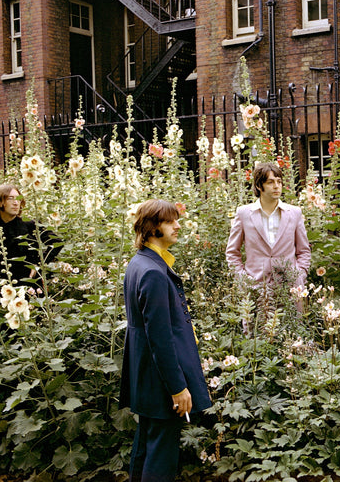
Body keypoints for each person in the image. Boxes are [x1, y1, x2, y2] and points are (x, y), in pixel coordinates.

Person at [120, 199, 212, 482]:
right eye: (170, 221)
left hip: (144, 374)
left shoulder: (140, 263)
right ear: (152, 228)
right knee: (161, 456)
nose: (178, 226)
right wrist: (177, 388)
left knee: (146, 446)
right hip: (160, 380)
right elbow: (160, 338)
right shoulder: (152, 272)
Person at [225, 162, 311, 288]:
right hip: (255, 289)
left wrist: (299, 275)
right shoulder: (244, 214)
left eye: (279, 182)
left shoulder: (294, 213)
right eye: (270, 182)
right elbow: (232, 252)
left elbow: (304, 251)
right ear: (259, 186)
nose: (276, 186)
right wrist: (243, 279)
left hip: (290, 289)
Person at [0, 184, 61, 285]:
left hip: (28, 283)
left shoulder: (29, 224)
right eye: (10, 199)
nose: (16, 203)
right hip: (2, 285)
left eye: (18, 199)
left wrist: (39, 263)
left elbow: (57, 242)